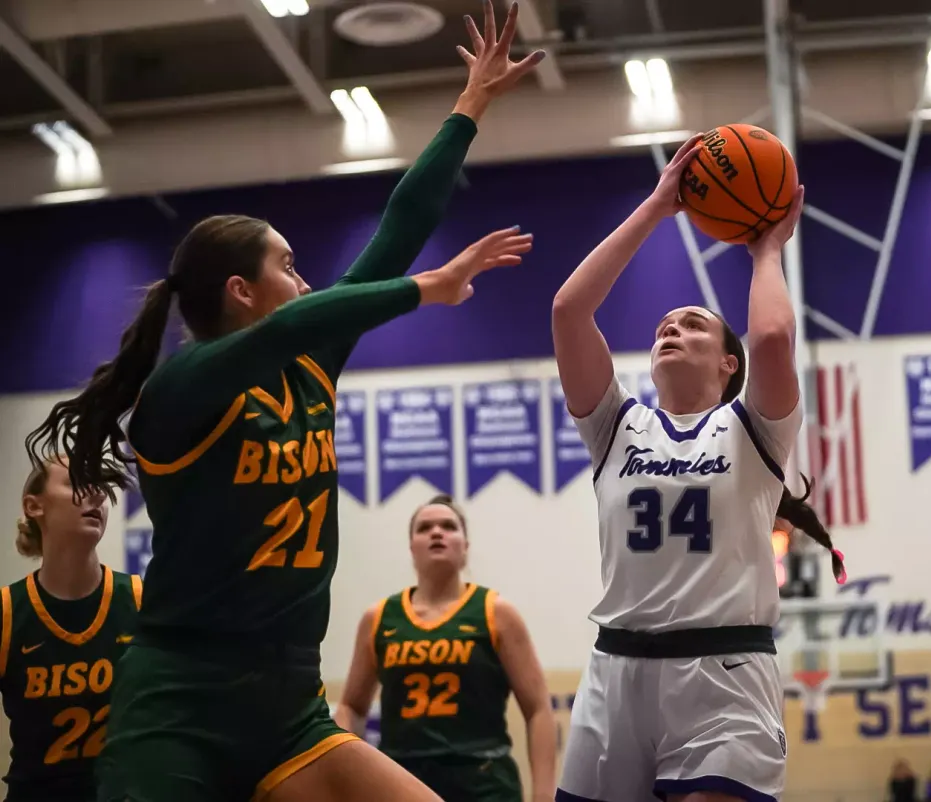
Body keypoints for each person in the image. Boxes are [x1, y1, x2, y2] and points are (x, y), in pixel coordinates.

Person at [22, 4, 543, 800]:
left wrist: (468, 107)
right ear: (241, 292)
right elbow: (298, 321)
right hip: (180, 705)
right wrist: (421, 292)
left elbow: (401, 224)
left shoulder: (309, 364)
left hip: (288, 705)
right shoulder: (181, 389)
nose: (305, 282)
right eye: (290, 266)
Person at [550, 133, 820, 802]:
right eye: (665, 325)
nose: (672, 329)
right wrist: (656, 207)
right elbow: (568, 309)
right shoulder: (616, 426)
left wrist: (767, 251)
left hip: (723, 670)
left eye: (694, 324)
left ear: (730, 363)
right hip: (617, 668)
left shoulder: (753, 429)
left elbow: (776, 337)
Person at [333, 494, 555, 802]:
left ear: (465, 547)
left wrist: (543, 795)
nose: (437, 532)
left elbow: (538, 709)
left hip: (482, 777)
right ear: (411, 547)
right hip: (401, 778)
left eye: (449, 526)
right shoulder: (379, 618)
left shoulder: (496, 613)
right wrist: (346, 771)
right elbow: (352, 707)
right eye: (424, 528)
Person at [0, 458, 142, 802]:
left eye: (101, 485)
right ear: (34, 506)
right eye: (77, 481)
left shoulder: (139, 600)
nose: (96, 492)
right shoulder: (7, 611)